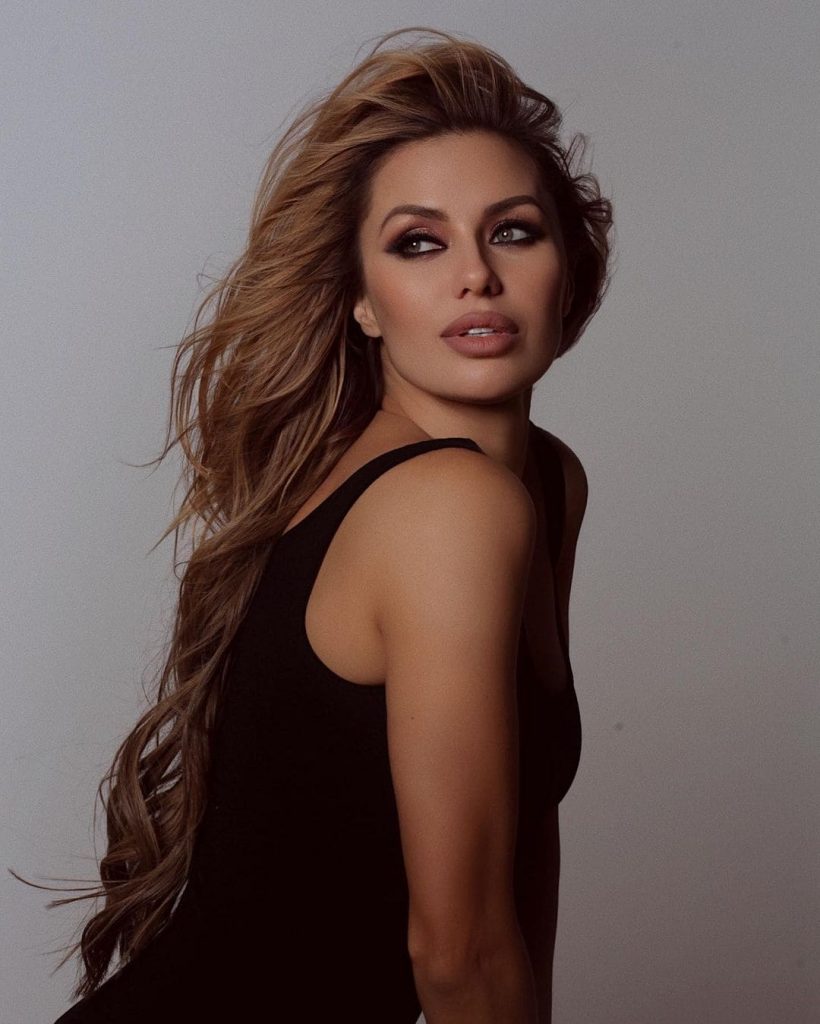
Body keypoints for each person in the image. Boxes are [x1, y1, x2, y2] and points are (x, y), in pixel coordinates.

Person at [28, 25, 612, 1024]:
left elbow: (518, 852)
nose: (475, 274)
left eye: (514, 231)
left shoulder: (543, 483)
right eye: (418, 242)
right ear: (363, 304)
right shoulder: (449, 505)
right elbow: (458, 954)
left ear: (569, 267)